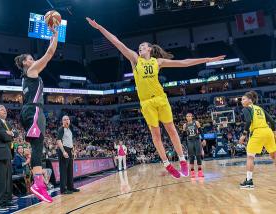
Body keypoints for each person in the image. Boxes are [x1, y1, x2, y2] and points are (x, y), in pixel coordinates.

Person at [86, 17, 225, 179]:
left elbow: (184, 63)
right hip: (146, 103)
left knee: (172, 130)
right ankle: (166, 164)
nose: (140, 48)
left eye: (142, 46)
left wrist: (207, 59)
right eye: (139, 47)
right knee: (156, 135)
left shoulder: (157, 62)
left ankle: (182, 161)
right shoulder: (134, 59)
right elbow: (117, 42)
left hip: (160, 98)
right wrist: (99, 27)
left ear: (150, 49)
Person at [15, 27, 58, 203]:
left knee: (37, 147)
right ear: (25, 63)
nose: (33, 60)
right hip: (33, 110)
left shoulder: (27, 76)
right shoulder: (31, 71)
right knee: (37, 147)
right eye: (30, 59)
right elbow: (48, 55)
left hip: (30, 110)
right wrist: (54, 36)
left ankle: (39, 184)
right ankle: (37, 184)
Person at [239, 91, 276, 189]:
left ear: (250, 100)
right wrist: (274, 133)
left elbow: (248, 121)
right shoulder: (260, 108)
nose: (242, 101)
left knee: (250, 157)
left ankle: (249, 181)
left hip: (257, 132)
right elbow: (272, 121)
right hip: (268, 131)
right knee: (274, 155)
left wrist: (244, 135)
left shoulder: (247, 108)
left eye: (243, 99)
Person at [0, 105, 18, 211]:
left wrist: (10, 133)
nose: (4, 111)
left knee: (7, 180)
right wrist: (9, 134)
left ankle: (6, 200)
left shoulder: (7, 123)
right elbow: (5, 137)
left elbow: (16, 133)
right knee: (0, 180)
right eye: (2, 110)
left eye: (5, 110)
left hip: (7, 154)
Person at [56, 116, 80, 194]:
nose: (66, 121)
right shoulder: (61, 129)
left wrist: (73, 151)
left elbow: (70, 141)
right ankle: (63, 189)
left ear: (69, 121)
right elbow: (58, 141)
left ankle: (70, 187)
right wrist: (63, 151)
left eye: (67, 119)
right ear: (62, 121)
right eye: (64, 119)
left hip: (70, 150)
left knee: (70, 170)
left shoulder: (70, 130)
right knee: (63, 170)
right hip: (64, 150)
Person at [183, 113, 204, 178]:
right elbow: (183, 135)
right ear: (186, 117)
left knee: (198, 155)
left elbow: (201, 131)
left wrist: (204, 139)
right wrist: (181, 142)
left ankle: (200, 171)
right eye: (187, 116)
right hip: (190, 141)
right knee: (191, 156)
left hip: (197, 140)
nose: (188, 117)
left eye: (189, 116)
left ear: (192, 117)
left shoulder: (196, 122)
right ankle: (192, 172)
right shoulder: (185, 125)